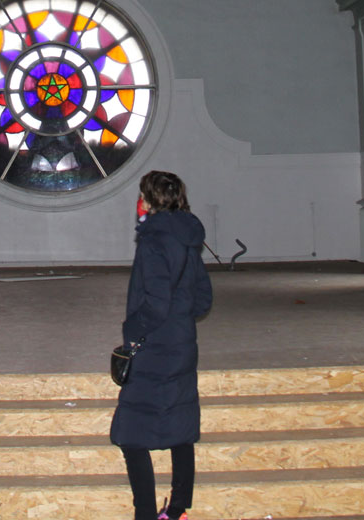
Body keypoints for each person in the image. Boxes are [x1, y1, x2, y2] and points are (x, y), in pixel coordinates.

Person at [110, 170, 214, 520]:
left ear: (150, 199)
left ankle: (145, 514)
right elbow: (202, 298)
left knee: (131, 433)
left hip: (154, 348)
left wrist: (132, 334)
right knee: (181, 427)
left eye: (142, 195)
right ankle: (179, 509)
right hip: (182, 343)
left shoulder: (154, 241)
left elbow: (155, 302)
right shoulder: (187, 238)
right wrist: (182, 319)